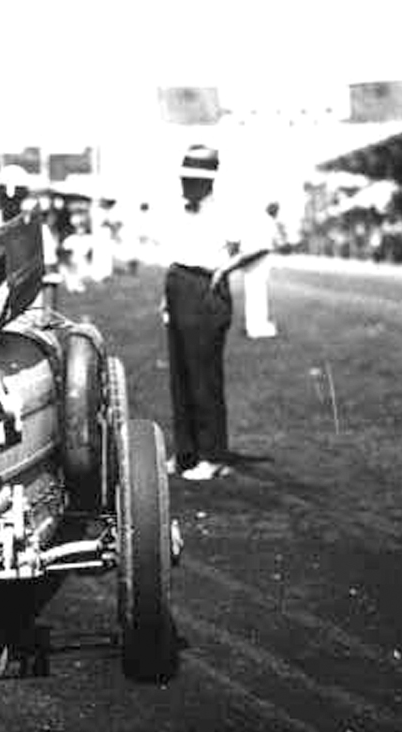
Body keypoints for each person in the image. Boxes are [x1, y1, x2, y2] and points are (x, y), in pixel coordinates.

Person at [164, 146, 270, 481]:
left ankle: (211, 455)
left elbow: (259, 244)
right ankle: (186, 452)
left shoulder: (227, 213)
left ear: (205, 182)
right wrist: (167, 300)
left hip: (206, 291)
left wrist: (226, 268)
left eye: (190, 179)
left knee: (203, 376)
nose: (184, 184)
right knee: (180, 376)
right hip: (179, 286)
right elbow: (178, 257)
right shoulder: (182, 212)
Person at [242, 201, 283, 339]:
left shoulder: (259, 222)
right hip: (257, 265)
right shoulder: (268, 223)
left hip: (251, 265)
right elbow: (264, 247)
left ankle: (254, 326)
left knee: (253, 297)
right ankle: (256, 328)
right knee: (257, 297)